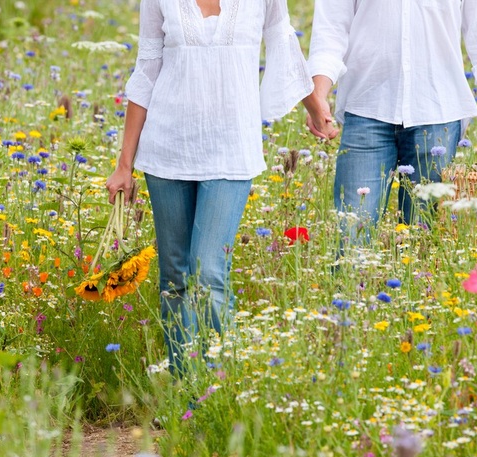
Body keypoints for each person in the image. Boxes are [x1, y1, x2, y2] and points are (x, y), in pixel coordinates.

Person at [106, 0, 336, 375]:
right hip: (168, 148)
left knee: (209, 271)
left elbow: (283, 44)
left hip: (231, 150)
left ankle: (220, 387)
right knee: (176, 276)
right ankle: (186, 391)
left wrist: (315, 108)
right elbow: (147, 70)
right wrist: (123, 165)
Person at [306, 0, 477, 246]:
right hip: (366, 106)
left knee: (421, 241)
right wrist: (318, 96)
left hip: (437, 114)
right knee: (352, 237)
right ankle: (350, 286)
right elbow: (331, 30)